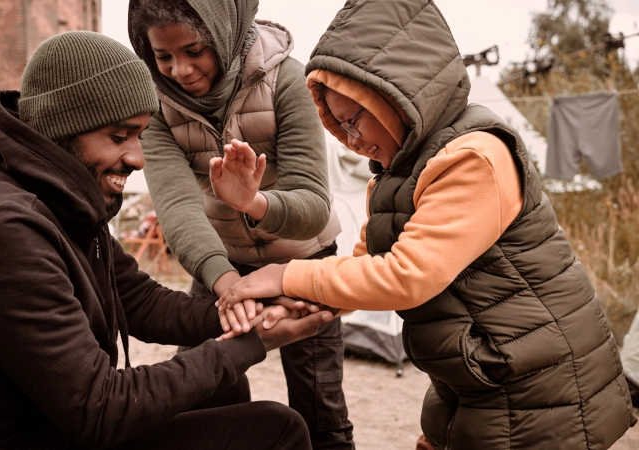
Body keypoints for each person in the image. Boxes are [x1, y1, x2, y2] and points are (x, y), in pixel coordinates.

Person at [215, 0, 637, 448]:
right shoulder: (401, 171)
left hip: (541, 386)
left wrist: (284, 273)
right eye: (338, 125)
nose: (351, 138)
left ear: (397, 94)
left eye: (354, 118)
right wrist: (295, 304)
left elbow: (406, 275)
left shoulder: (473, 158)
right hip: (485, 373)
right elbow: (366, 267)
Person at [0, 31, 335, 450]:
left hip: (44, 426)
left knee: (225, 382)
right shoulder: (4, 232)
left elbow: (140, 302)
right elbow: (98, 409)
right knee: (277, 430)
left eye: (140, 136)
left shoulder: (62, 205)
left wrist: (253, 314)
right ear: (63, 132)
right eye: (119, 136)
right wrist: (253, 342)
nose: (137, 158)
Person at [127, 1, 354, 447]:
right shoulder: (154, 104)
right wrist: (226, 280)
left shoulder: (286, 79)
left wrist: (253, 202)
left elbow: (313, 205)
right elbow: (177, 207)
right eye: (163, 56)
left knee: (319, 406)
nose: (180, 70)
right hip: (222, 264)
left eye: (194, 51)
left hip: (302, 262)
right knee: (198, 385)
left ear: (224, 32)